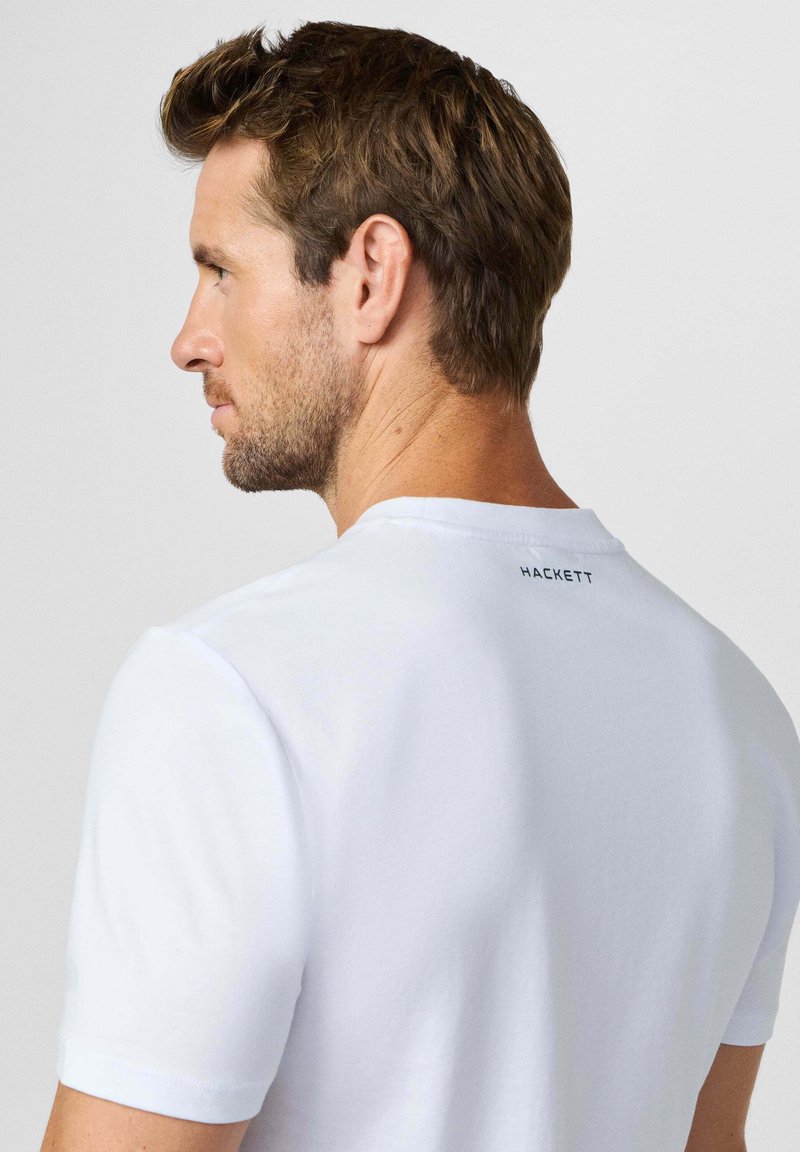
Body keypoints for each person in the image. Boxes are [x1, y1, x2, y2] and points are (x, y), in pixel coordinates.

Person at [41, 20, 799, 1152]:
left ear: (371, 275)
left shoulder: (227, 693)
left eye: (219, 271)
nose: (189, 339)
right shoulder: (734, 712)